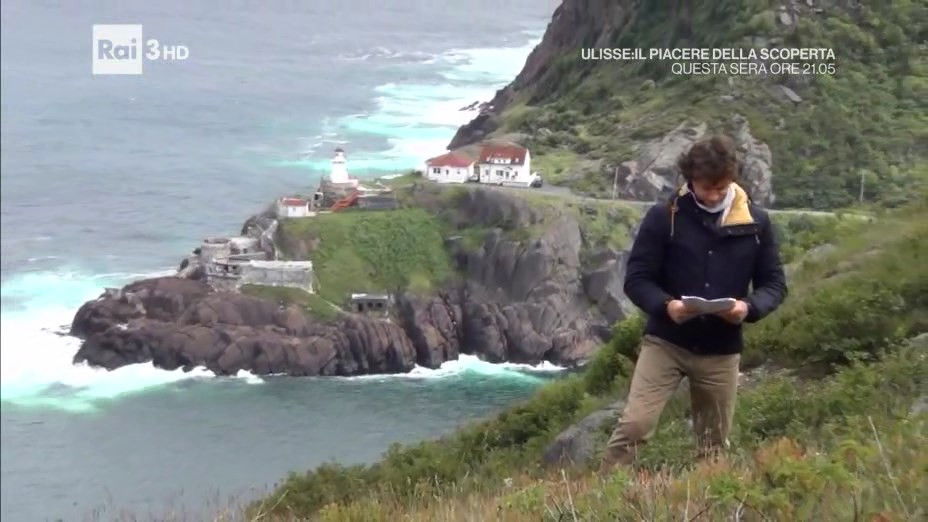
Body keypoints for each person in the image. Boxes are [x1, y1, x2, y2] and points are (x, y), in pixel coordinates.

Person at [601, 135, 787, 470]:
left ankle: (703, 501)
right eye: (706, 188)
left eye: (722, 187)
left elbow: (774, 284)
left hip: (721, 350)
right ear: (690, 180)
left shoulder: (756, 223)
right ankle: (602, 500)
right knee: (633, 427)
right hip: (665, 342)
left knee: (713, 444)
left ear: (733, 179)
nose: (714, 195)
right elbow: (637, 279)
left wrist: (748, 308)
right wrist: (666, 306)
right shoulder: (664, 217)